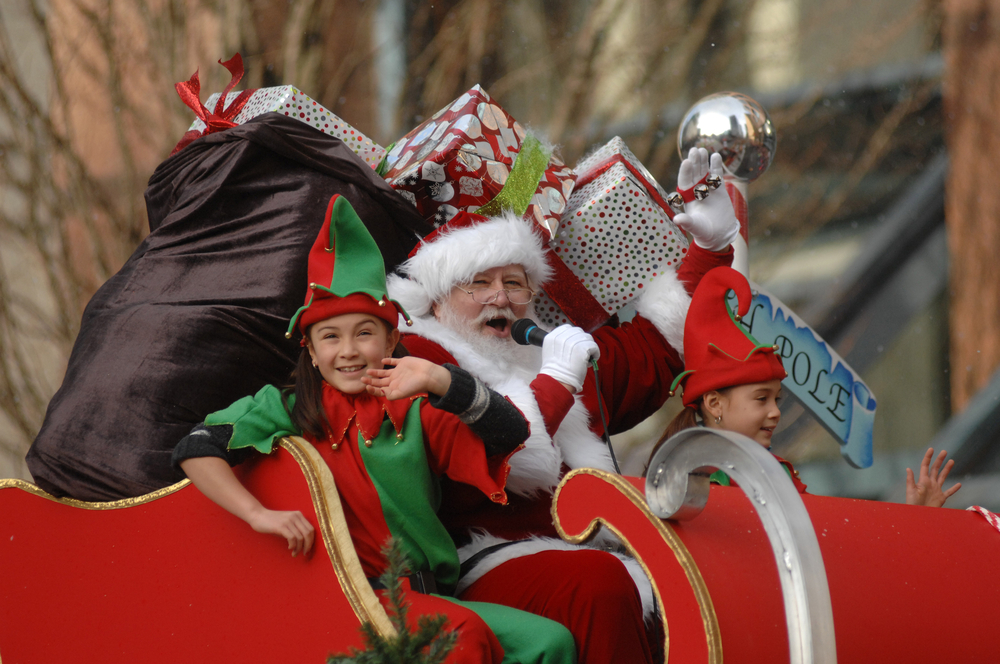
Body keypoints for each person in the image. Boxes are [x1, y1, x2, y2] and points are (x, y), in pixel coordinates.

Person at [172, 195, 576, 664]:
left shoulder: (416, 408)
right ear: (309, 348)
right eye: (330, 336)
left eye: (364, 332)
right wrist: (257, 514)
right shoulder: (286, 407)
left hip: (434, 597)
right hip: (350, 600)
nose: (347, 350)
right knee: (463, 636)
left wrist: (442, 379)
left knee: (551, 643)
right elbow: (196, 447)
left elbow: (510, 435)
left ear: (389, 339)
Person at [382, 147, 740, 664]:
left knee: (708, 576)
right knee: (598, 585)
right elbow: (496, 458)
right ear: (437, 298)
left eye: (513, 282)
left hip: (598, 550)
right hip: (480, 557)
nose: (500, 298)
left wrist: (710, 247)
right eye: (477, 283)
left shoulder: (548, 350)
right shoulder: (420, 355)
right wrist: (555, 381)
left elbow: (654, 347)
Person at [651, 265, 961, 508]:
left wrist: (915, 521)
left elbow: (831, 548)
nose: (775, 412)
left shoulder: (776, 472)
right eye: (761, 399)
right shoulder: (691, 485)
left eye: (776, 399)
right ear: (714, 403)